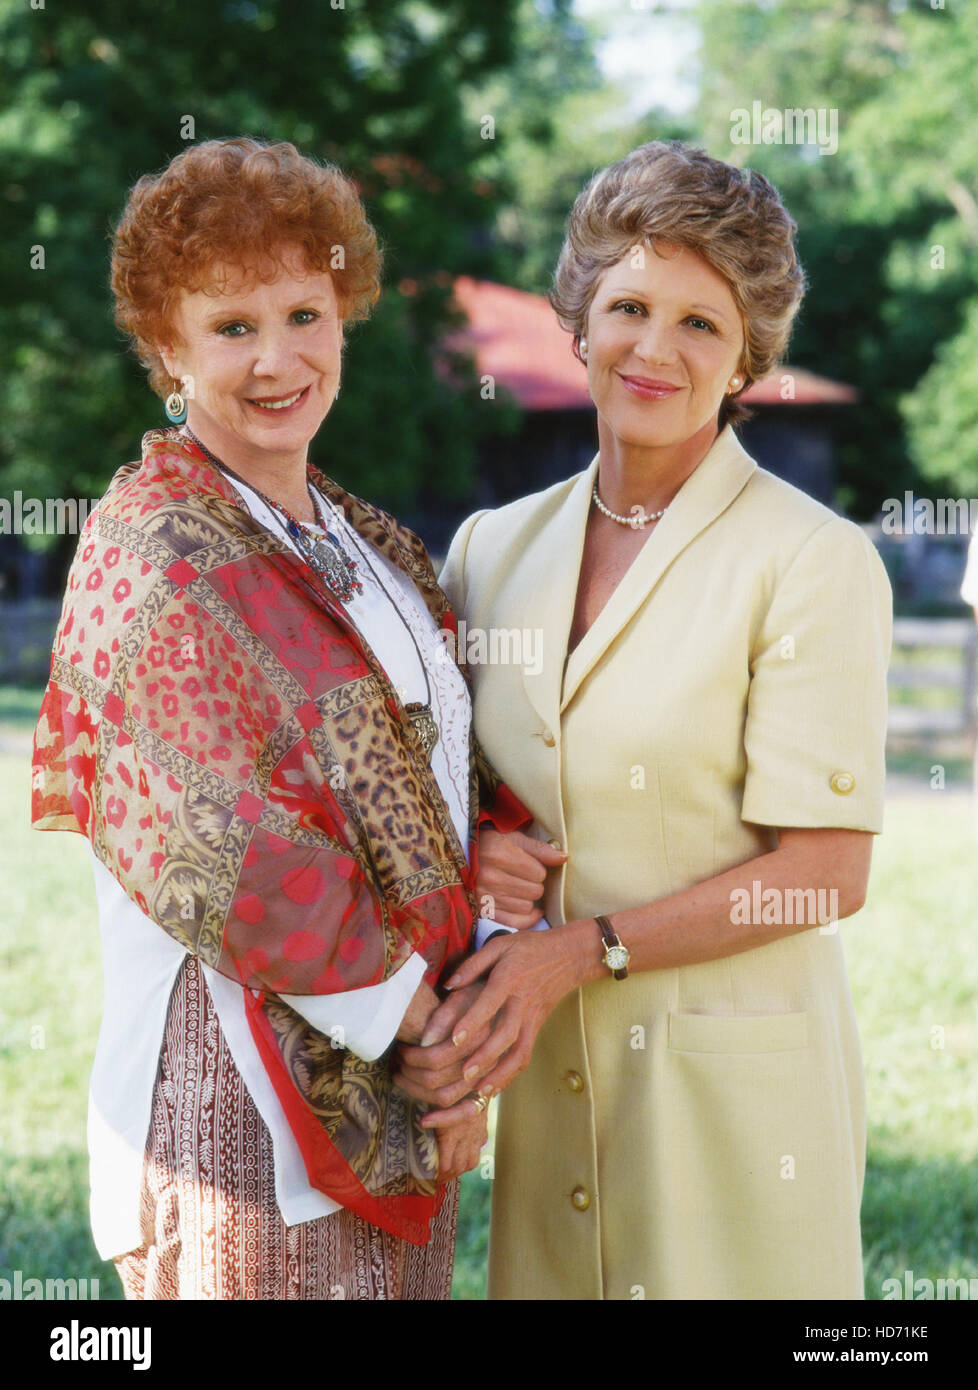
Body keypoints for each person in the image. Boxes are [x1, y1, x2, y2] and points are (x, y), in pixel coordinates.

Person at [30, 136, 535, 1301]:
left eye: (305, 312)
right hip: (240, 1104)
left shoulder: (376, 547)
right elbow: (226, 848)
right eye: (231, 326)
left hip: (408, 1090)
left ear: (346, 312)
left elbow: (456, 780)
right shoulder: (153, 545)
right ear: (168, 346)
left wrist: (491, 930)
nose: (278, 359)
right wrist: (440, 1042)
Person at [395, 141, 893, 1299]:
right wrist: (481, 852)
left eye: (701, 324)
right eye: (627, 305)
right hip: (554, 1090)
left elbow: (826, 871)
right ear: (579, 321)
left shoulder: (812, 562)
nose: (654, 349)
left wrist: (582, 949)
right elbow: (458, 794)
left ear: (749, 361)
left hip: (736, 1098)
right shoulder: (489, 548)